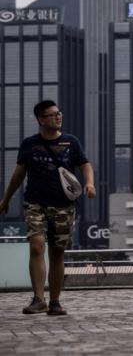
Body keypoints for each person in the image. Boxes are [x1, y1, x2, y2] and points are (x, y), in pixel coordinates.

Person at [0, 100, 96, 316]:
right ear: (41, 119)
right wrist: (5, 200)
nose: (58, 117)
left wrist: (89, 183)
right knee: (36, 245)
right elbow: (18, 175)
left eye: (58, 113)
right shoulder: (29, 144)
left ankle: (54, 301)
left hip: (63, 206)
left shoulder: (71, 142)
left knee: (57, 253)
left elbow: (85, 165)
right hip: (35, 203)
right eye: (52, 114)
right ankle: (38, 299)